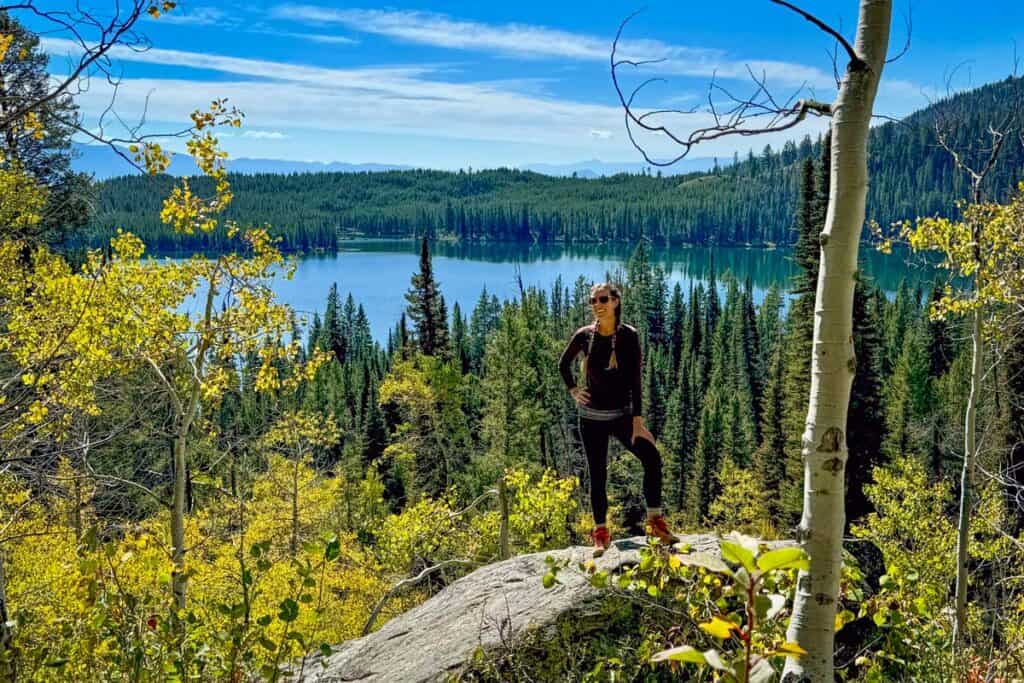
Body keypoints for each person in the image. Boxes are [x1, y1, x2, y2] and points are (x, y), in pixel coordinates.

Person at [559, 282, 678, 556]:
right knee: (598, 474)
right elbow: (563, 365)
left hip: (622, 417)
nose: (597, 305)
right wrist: (573, 390)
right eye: (593, 301)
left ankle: (655, 523)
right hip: (591, 419)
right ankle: (600, 533)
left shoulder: (628, 336)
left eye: (603, 299)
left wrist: (637, 421)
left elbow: (636, 380)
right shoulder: (584, 335)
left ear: (615, 301)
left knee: (651, 458)